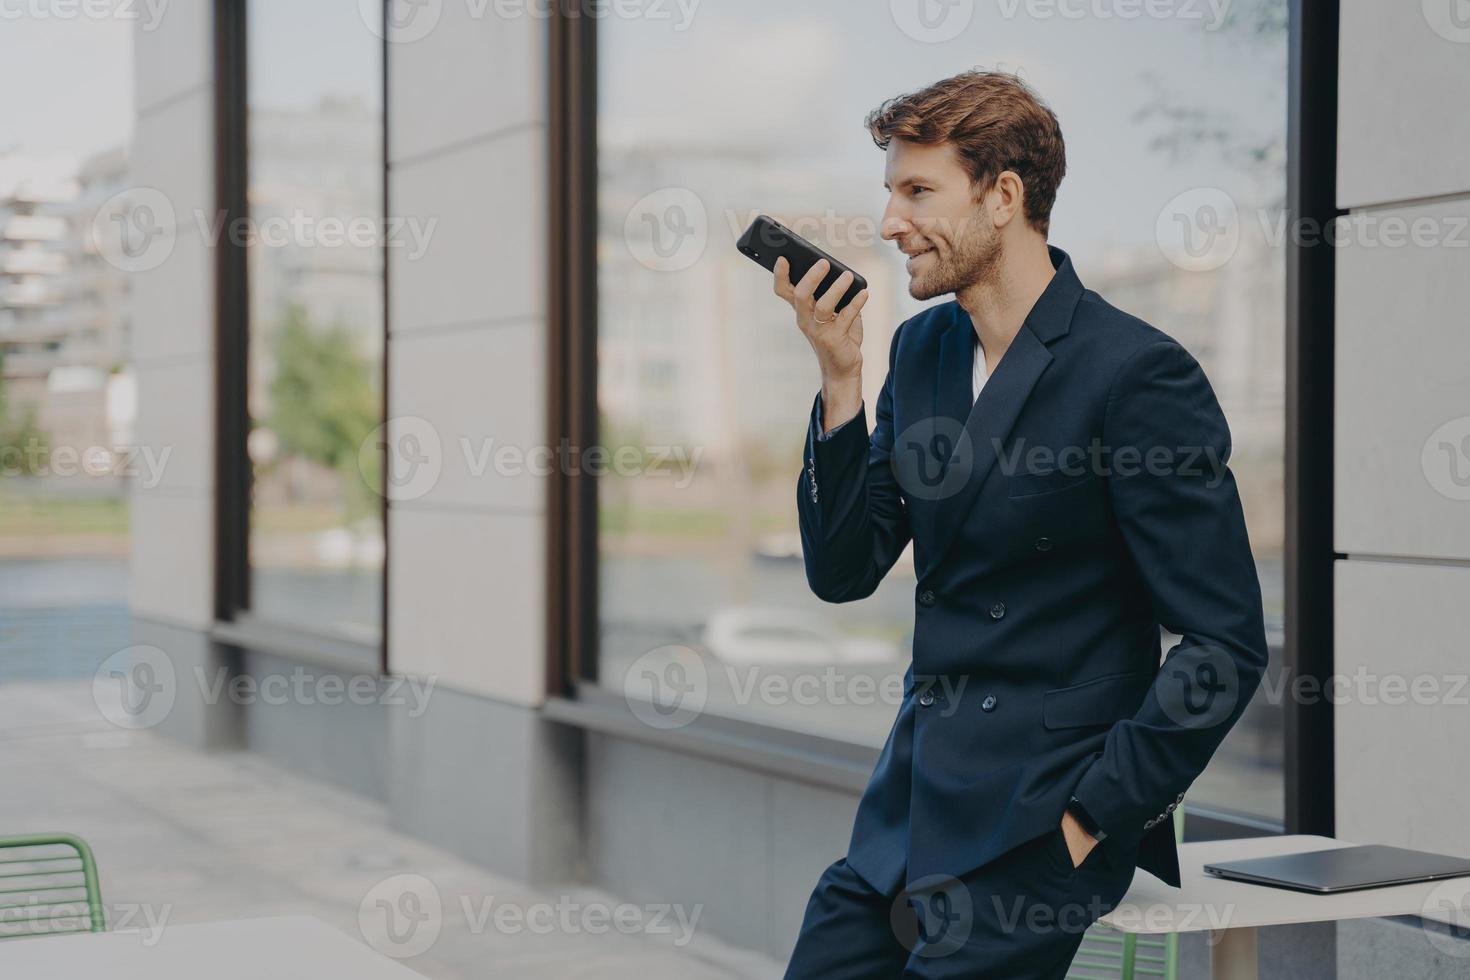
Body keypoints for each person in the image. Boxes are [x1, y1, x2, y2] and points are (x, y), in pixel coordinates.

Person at [775, 69, 1268, 978]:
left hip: (1037, 830)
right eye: (890, 191)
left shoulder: (1135, 376)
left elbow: (1224, 644)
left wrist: (1091, 818)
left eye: (917, 191)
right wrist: (840, 380)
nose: (889, 223)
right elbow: (845, 569)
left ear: (1004, 197)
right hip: (910, 810)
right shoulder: (921, 350)